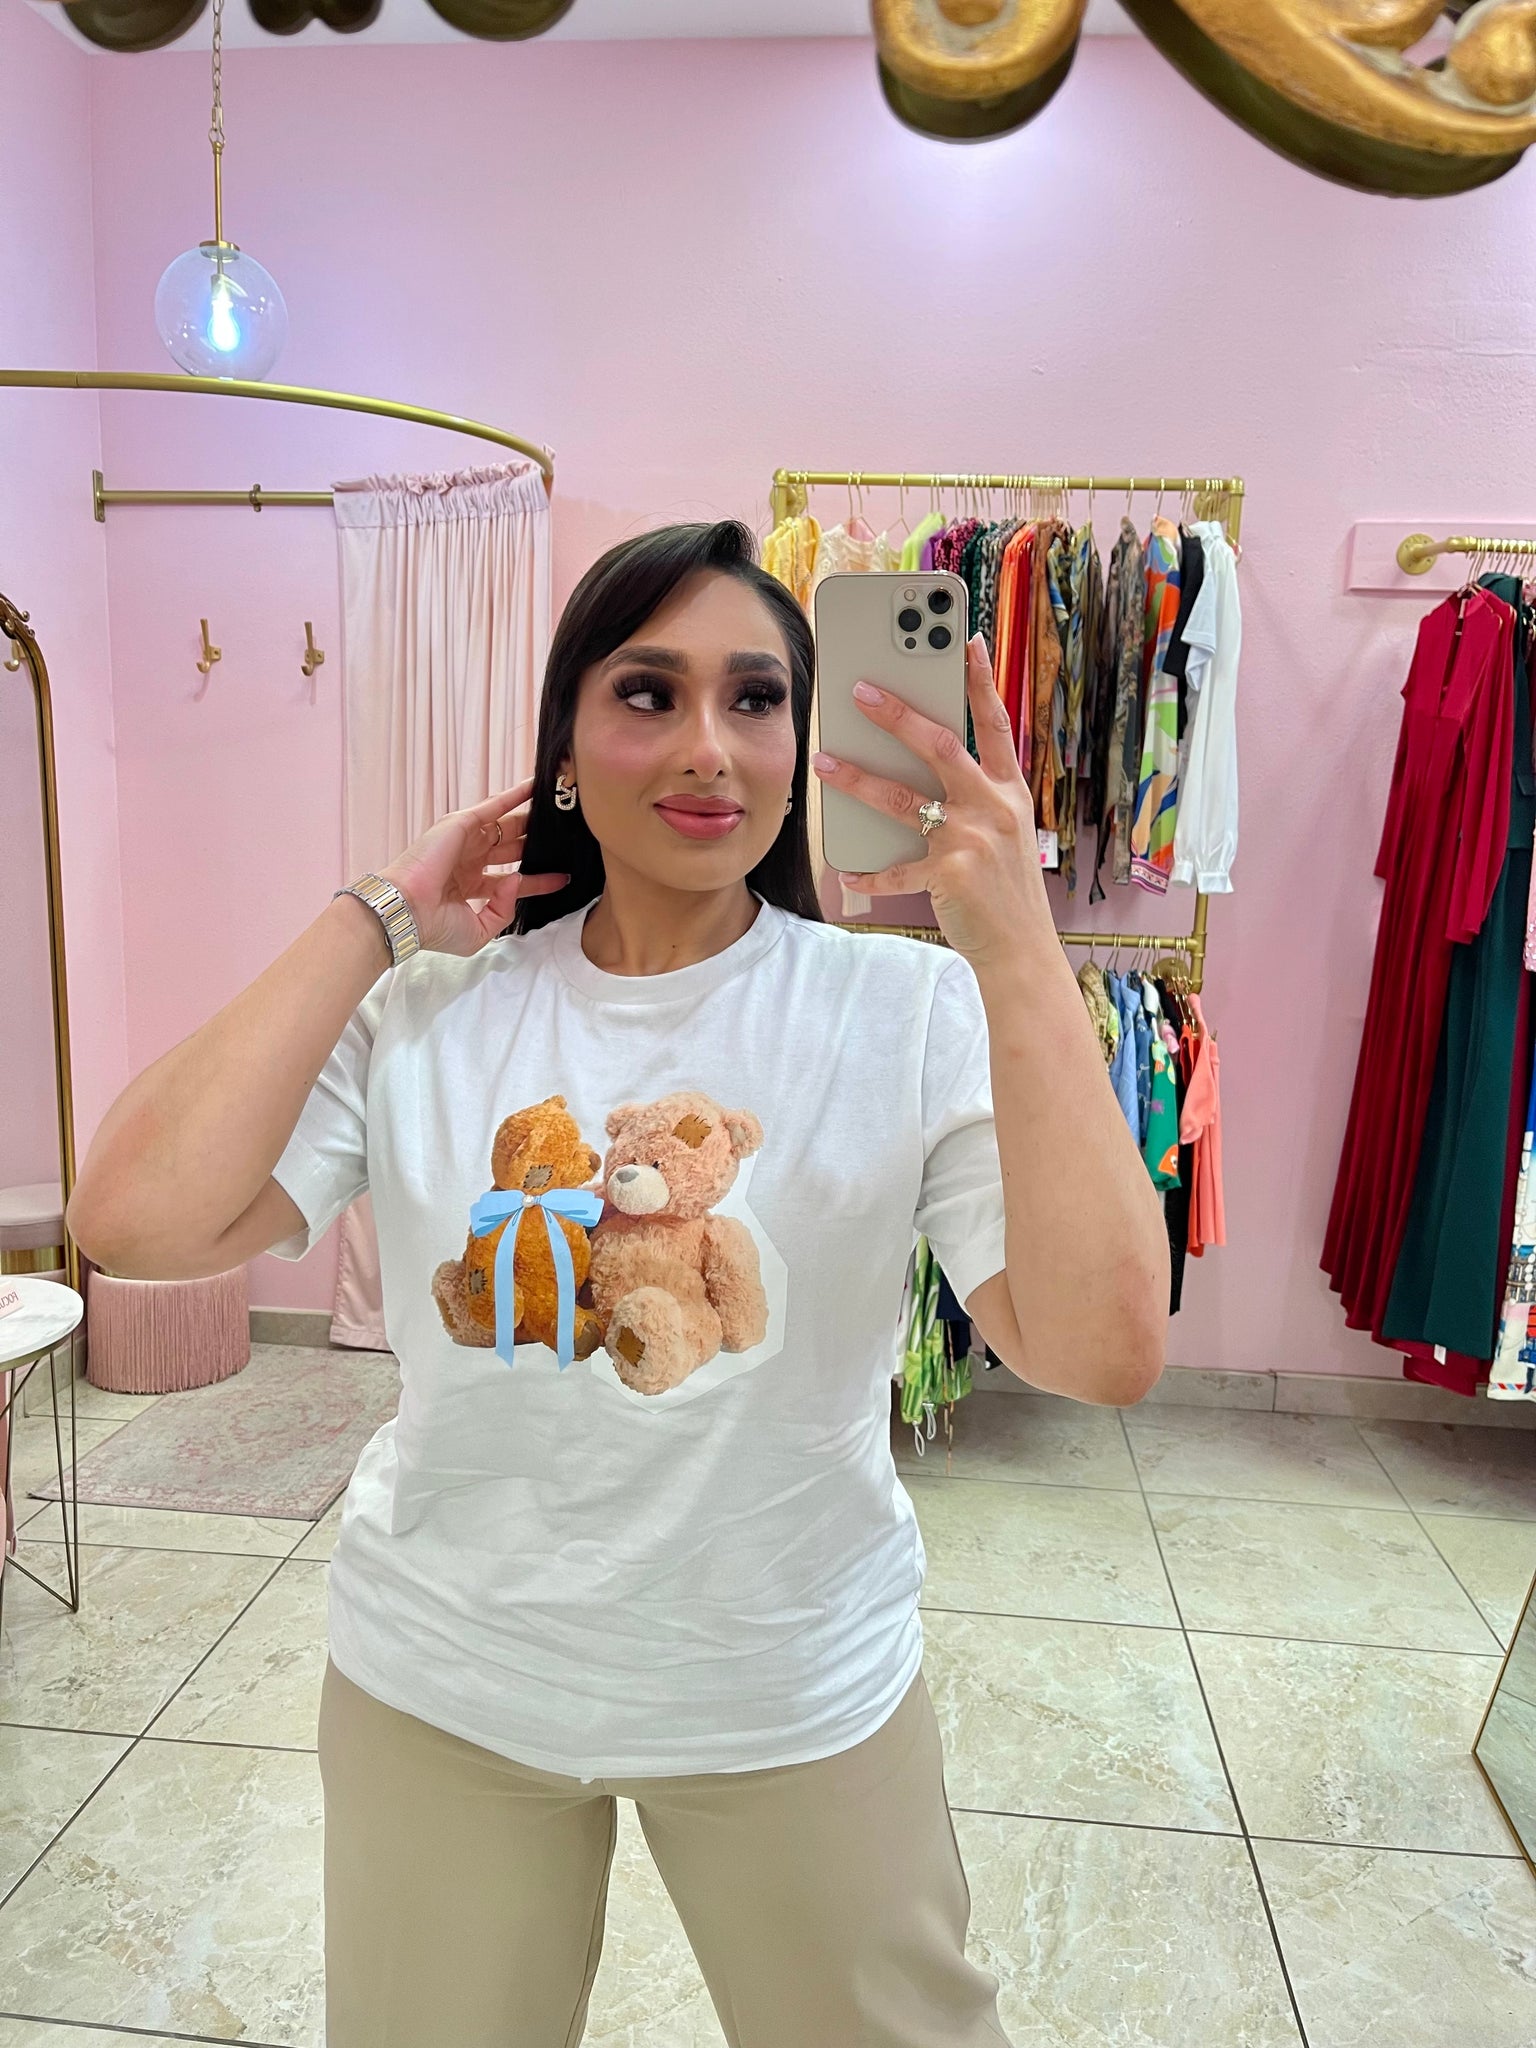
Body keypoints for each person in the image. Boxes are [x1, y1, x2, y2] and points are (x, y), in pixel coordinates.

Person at [67, 519, 1167, 2048]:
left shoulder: (904, 1005)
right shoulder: (431, 1013)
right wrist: (378, 918)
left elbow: (1103, 1348)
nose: (709, 744)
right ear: (567, 749)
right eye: (649, 693)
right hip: (447, 1682)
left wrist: (1021, 950)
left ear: (801, 744)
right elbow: (129, 1220)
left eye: (757, 698)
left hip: (788, 1688)